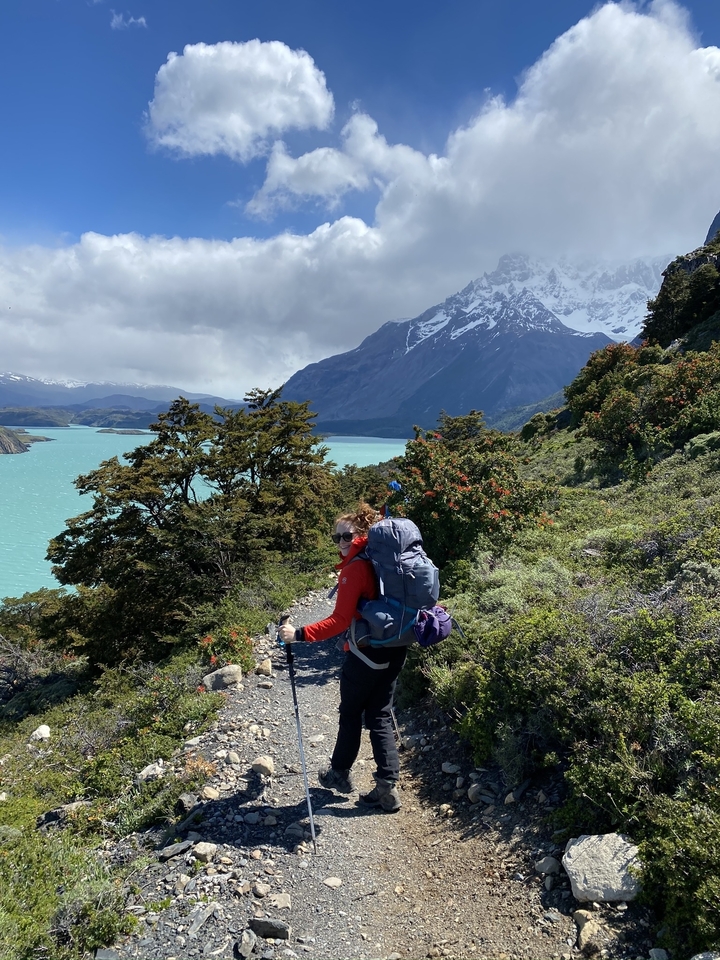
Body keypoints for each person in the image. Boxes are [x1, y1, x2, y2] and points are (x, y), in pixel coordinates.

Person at [278, 502, 406, 813]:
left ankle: (339, 774)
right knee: (379, 714)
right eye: (336, 538)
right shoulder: (383, 560)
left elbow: (337, 621)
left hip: (364, 654)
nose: (340, 543)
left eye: (345, 536)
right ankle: (387, 788)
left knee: (350, 713)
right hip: (395, 647)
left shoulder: (356, 568)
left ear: (363, 534)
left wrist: (299, 634)